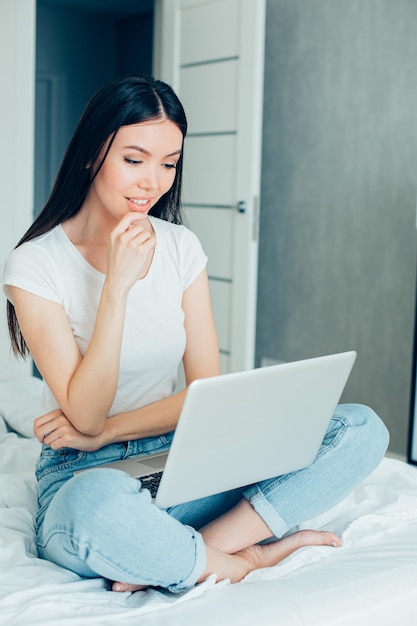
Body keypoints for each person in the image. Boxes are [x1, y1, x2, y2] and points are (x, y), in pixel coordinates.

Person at [3, 75, 389, 593]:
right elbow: (85, 414)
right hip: (83, 472)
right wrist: (116, 287)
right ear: (94, 153)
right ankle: (239, 558)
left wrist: (112, 431)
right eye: (134, 160)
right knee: (94, 511)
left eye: (168, 163)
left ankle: (196, 551)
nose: (152, 183)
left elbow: (203, 394)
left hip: (182, 461)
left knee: (359, 429)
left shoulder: (182, 247)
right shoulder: (36, 264)